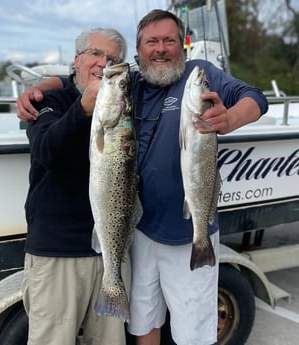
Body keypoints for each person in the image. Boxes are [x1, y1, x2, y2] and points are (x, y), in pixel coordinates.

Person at [17, 10, 268, 345]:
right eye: (152, 41)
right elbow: (88, 81)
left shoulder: (200, 74)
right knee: (142, 323)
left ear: (183, 46)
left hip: (186, 233)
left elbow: (256, 98)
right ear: (140, 50)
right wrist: (40, 87)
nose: (161, 49)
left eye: (169, 41)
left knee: (193, 331)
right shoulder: (131, 83)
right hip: (138, 232)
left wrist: (231, 118)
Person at [21, 27, 130, 345]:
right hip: (58, 252)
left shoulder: (123, 102)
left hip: (112, 249)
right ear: (77, 60)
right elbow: (47, 152)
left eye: (113, 58)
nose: (103, 63)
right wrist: (81, 109)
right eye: (96, 53)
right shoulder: (48, 100)